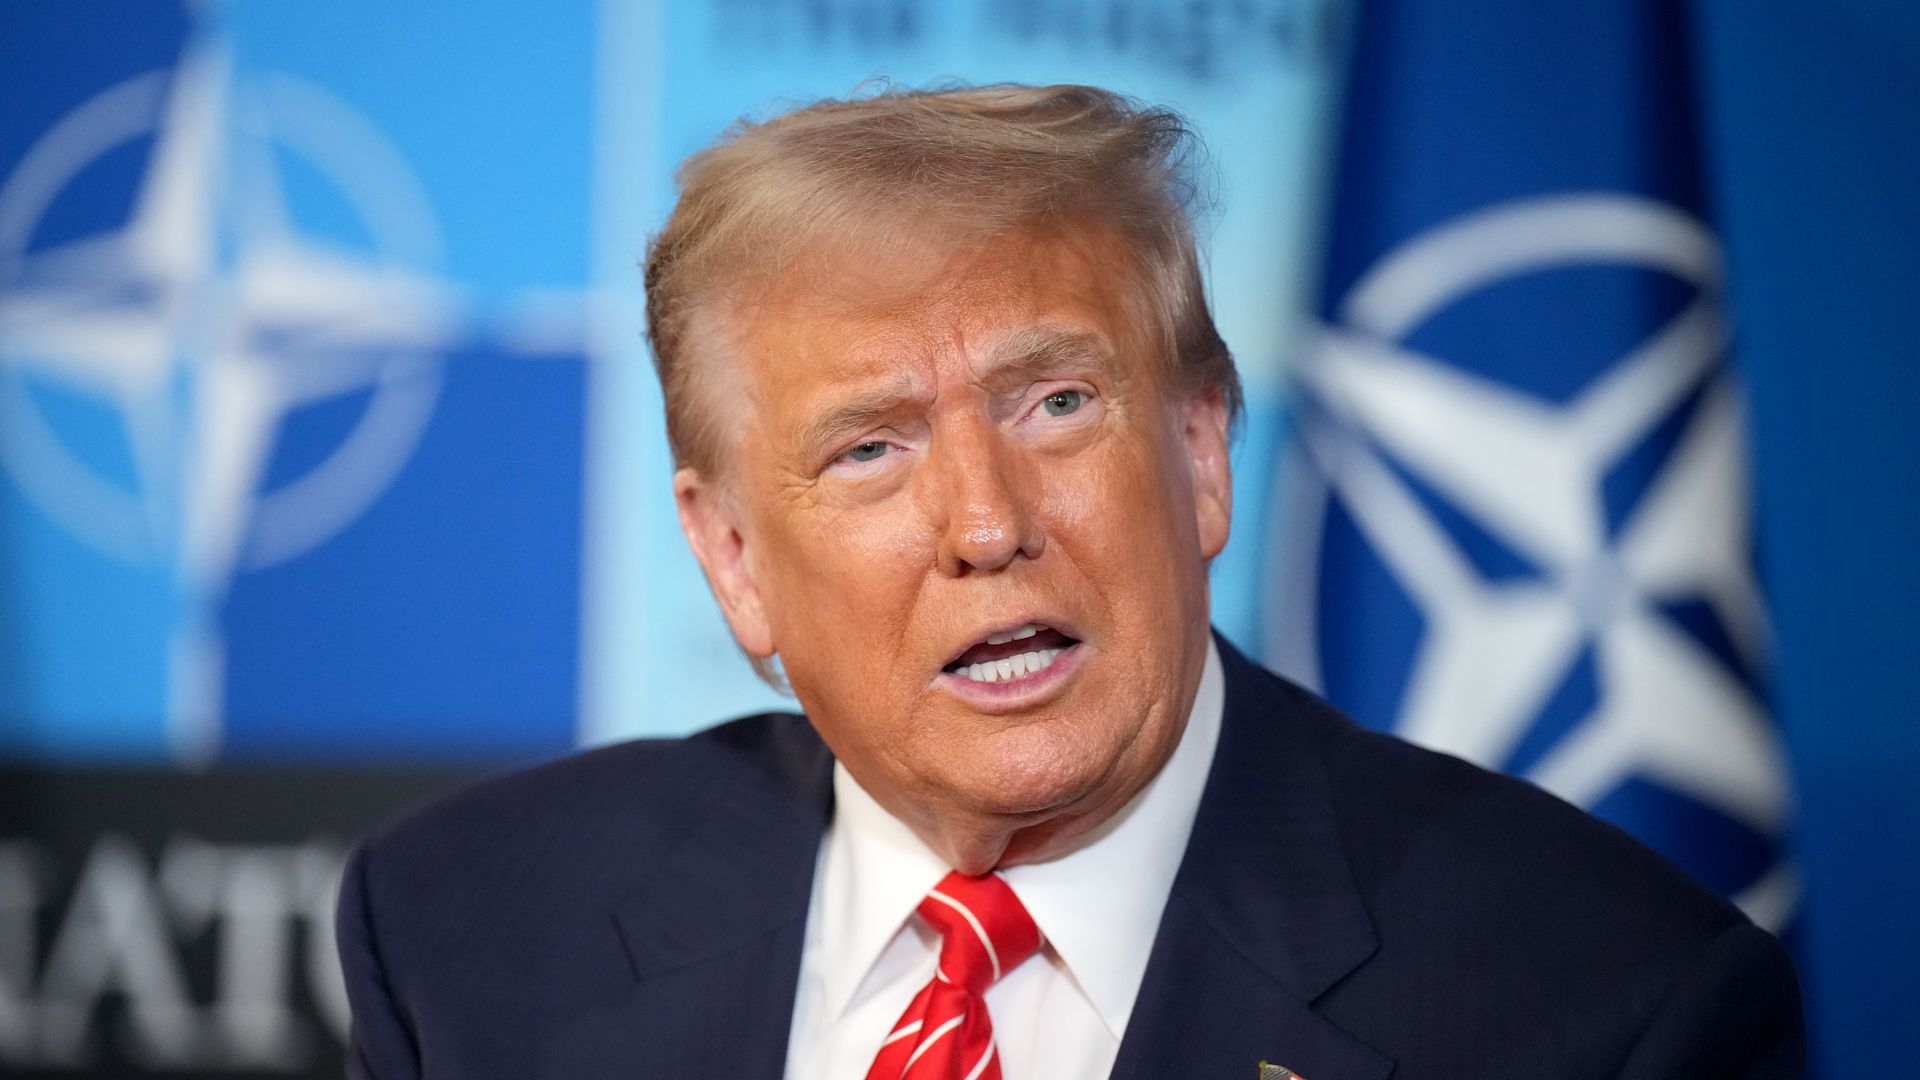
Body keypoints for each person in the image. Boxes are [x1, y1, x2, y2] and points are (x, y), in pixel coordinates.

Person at [335, 84, 1803, 1080]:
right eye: (868, 449)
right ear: (732, 557)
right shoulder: (470, 936)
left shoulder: (1610, 1009)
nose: (985, 522)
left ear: (1202, 450)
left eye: (1057, 405)